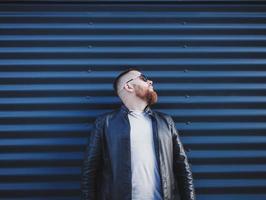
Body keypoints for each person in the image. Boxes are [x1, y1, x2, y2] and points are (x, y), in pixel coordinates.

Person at [81, 68, 196, 200]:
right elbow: (90, 172)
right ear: (128, 86)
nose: (150, 81)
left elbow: (182, 166)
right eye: (144, 78)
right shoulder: (105, 123)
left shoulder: (166, 122)